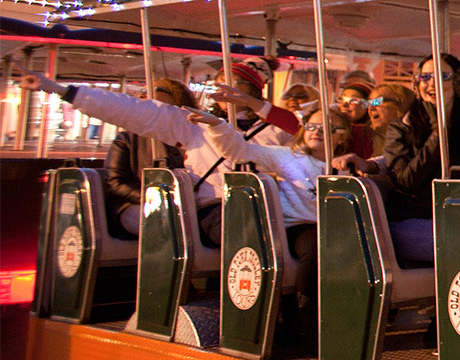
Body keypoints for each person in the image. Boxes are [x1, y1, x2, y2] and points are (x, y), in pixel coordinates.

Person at [21, 59, 298, 245]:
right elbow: (134, 113)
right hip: (216, 209)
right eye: (218, 85)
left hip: (269, 207)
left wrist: (253, 104)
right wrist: (60, 90)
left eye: (234, 86)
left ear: (251, 91)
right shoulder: (194, 123)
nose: (222, 92)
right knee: (245, 233)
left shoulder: (275, 129)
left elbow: (298, 127)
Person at [191, 105, 349, 279]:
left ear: (342, 136)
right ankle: (304, 302)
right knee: (314, 246)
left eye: (326, 128)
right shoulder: (287, 157)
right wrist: (217, 125)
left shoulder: (345, 168)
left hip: (330, 229)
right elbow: (239, 152)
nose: (316, 132)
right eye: (311, 126)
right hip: (296, 226)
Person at [373, 56, 460, 262]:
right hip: (414, 217)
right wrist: (438, 134)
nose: (433, 83)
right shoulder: (402, 127)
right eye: (426, 76)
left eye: (443, 76)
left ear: (458, 81)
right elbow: (406, 182)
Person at [103, 79, 197, 236]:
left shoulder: (193, 138)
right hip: (132, 204)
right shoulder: (127, 139)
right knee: (164, 223)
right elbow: (116, 182)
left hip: (183, 205)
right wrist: (154, 198)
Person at [336, 78, 375, 159]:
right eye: (341, 99)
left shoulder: (371, 135)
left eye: (353, 100)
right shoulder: (332, 128)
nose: (344, 105)